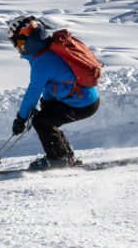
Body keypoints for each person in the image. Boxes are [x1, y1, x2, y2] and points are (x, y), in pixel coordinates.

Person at [7, 15, 99, 169]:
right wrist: (47, 102)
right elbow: (52, 82)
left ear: (25, 39)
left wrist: (21, 119)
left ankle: (58, 160)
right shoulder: (47, 49)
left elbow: (33, 92)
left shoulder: (42, 61)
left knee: (41, 121)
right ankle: (66, 156)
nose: (16, 47)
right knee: (46, 118)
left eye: (16, 42)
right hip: (84, 98)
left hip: (81, 103)